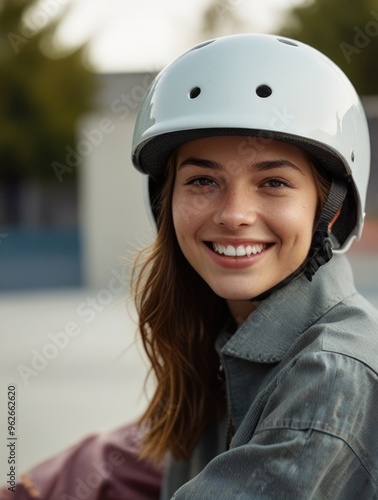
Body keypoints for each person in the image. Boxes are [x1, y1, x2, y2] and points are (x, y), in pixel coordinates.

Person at [2, 33, 378, 499]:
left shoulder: (332, 378)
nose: (234, 214)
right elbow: (151, 450)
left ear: (332, 210)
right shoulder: (232, 331)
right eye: (203, 180)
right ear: (167, 202)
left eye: (274, 182)